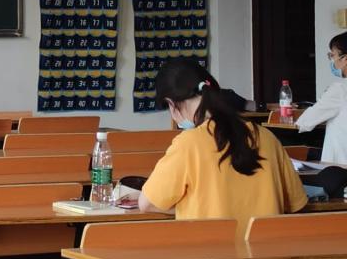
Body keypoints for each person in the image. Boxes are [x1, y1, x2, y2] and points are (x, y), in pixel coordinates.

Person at [138, 58, 307, 232]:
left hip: (213, 247)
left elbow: (146, 204)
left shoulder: (188, 144)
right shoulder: (267, 137)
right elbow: (295, 203)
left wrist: (188, 206)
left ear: (172, 104)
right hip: (265, 247)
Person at [295, 31, 347, 164]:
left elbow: (305, 122)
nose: (332, 60)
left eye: (332, 55)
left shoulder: (340, 90)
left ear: (345, 59)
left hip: (340, 168)